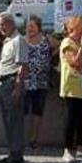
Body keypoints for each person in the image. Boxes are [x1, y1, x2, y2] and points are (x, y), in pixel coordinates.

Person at [0, 12, 29, 163]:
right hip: (3, 83)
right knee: (8, 121)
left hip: (11, 83)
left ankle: (16, 156)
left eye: (3, 24)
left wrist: (17, 87)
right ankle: (12, 152)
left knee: (15, 121)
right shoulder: (8, 41)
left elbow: (22, 66)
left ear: (11, 23)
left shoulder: (19, 40)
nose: (0, 28)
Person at [59, 15, 82, 163]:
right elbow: (75, 62)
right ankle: (67, 149)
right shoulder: (67, 42)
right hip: (71, 87)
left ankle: (80, 148)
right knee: (70, 119)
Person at [24, 15, 59, 149]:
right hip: (26, 81)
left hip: (41, 81)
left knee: (38, 111)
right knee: (24, 111)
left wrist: (50, 56)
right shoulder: (23, 40)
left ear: (38, 27)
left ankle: (34, 139)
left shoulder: (46, 39)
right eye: (28, 26)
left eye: (33, 26)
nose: (30, 29)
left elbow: (59, 44)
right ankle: (23, 138)